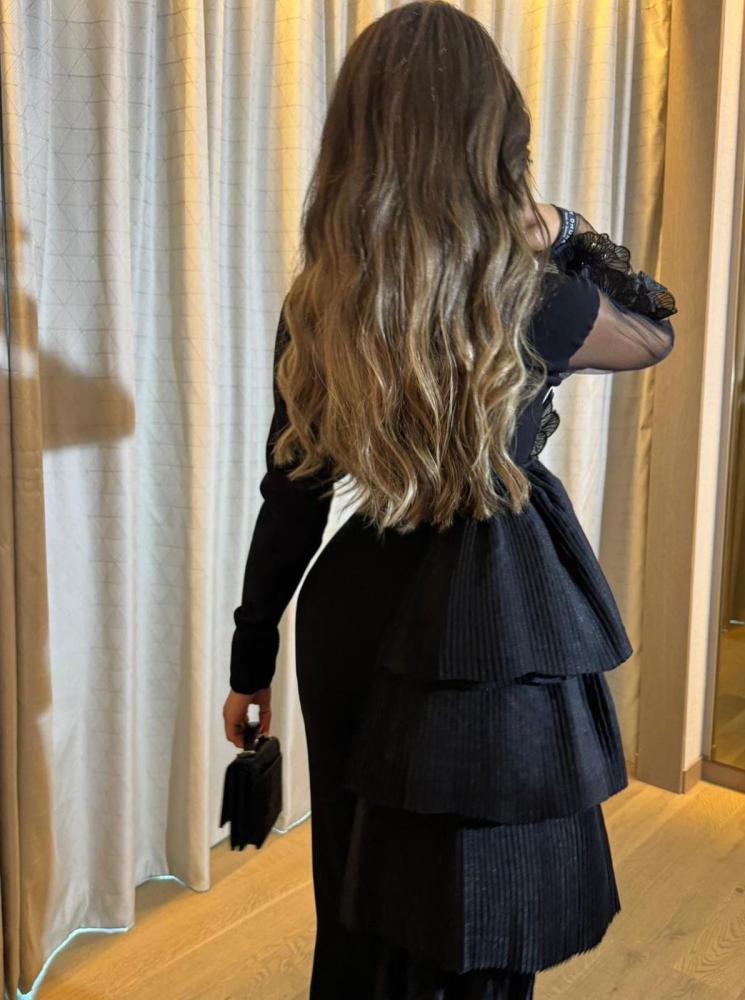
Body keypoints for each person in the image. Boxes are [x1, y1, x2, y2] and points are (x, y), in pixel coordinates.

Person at [222, 2, 677, 997]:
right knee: (484, 905)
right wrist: (562, 230)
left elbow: (291, 497)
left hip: (356, 615)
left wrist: (250, 662)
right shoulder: (531, 295)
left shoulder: (322, 300)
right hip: (496, 622)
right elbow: (655, 331)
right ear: (491, 135)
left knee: (355, 890)